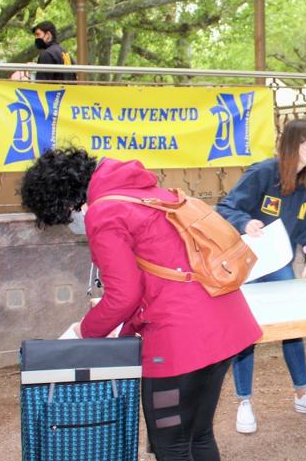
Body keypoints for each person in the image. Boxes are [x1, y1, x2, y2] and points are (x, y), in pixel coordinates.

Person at [20, 148, 261, 460]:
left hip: (181, 341)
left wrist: (85, 330)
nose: (70, 223)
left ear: (65, 204)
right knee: (198, 435)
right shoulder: (144, 192)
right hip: (225, 322)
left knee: (170, 444)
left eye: (64, 218)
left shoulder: (104, 213)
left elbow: (124, 294)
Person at [216, 119, 306, 433]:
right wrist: (245, 222)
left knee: (291, 326)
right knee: (246, 333)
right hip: (249, 265)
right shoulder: (263, 174)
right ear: (296, 143)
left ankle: (303, 392)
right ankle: (244, 402)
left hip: (280, 264)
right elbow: (226, 206)